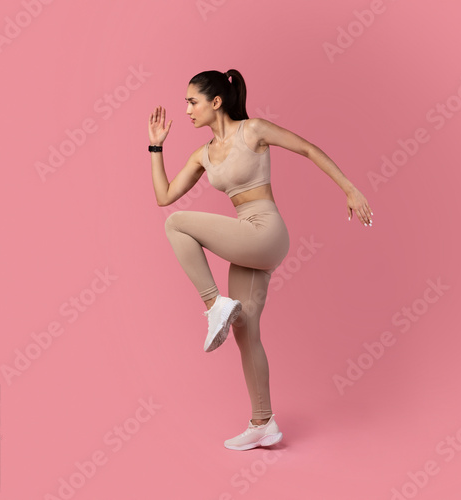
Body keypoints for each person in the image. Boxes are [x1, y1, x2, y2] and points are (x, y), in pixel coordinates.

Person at [148, 69, 373, 451]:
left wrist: (350, 189)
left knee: (177, 225)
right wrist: (156, 148)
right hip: (246, 238)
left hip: (265, 230)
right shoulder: (202, 154)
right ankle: (263, 422)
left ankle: (212, 304)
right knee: (244, 331)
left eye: (192, 101)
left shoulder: (252, 130)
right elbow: (164, 194)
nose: (186, 109)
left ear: (215, 102)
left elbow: (307, 148)